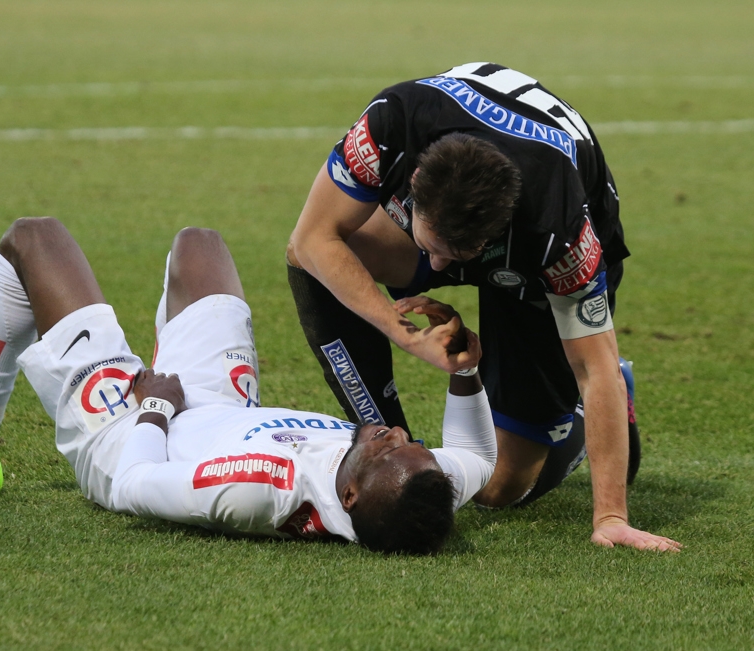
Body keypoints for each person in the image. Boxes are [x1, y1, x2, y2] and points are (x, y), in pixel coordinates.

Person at [0, 218, 498, 555]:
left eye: (388, 448)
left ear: (353, 499)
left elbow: (134, 486)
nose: (395, 433)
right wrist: (465, 373)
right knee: (199, 246)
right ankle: (141, 353)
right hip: (220, 409)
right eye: (406, 441)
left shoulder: (261, 491)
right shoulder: (417, 484)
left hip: (131, 434)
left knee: (33, 240)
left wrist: (154, 406)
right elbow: (475, 457)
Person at [286, 62, 681, 551]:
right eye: (428, 244)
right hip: (462, 204)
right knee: (313, 261)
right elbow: (312, 239)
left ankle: (580, 419)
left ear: (493, 241)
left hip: (533, 270)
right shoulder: (393, 123)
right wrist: (403, 331)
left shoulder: (560, 234)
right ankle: (393, 443)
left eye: (452, 260)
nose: (435, 265)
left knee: (496, 488)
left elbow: (594, 367)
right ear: (413, 183)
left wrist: (611, 517)